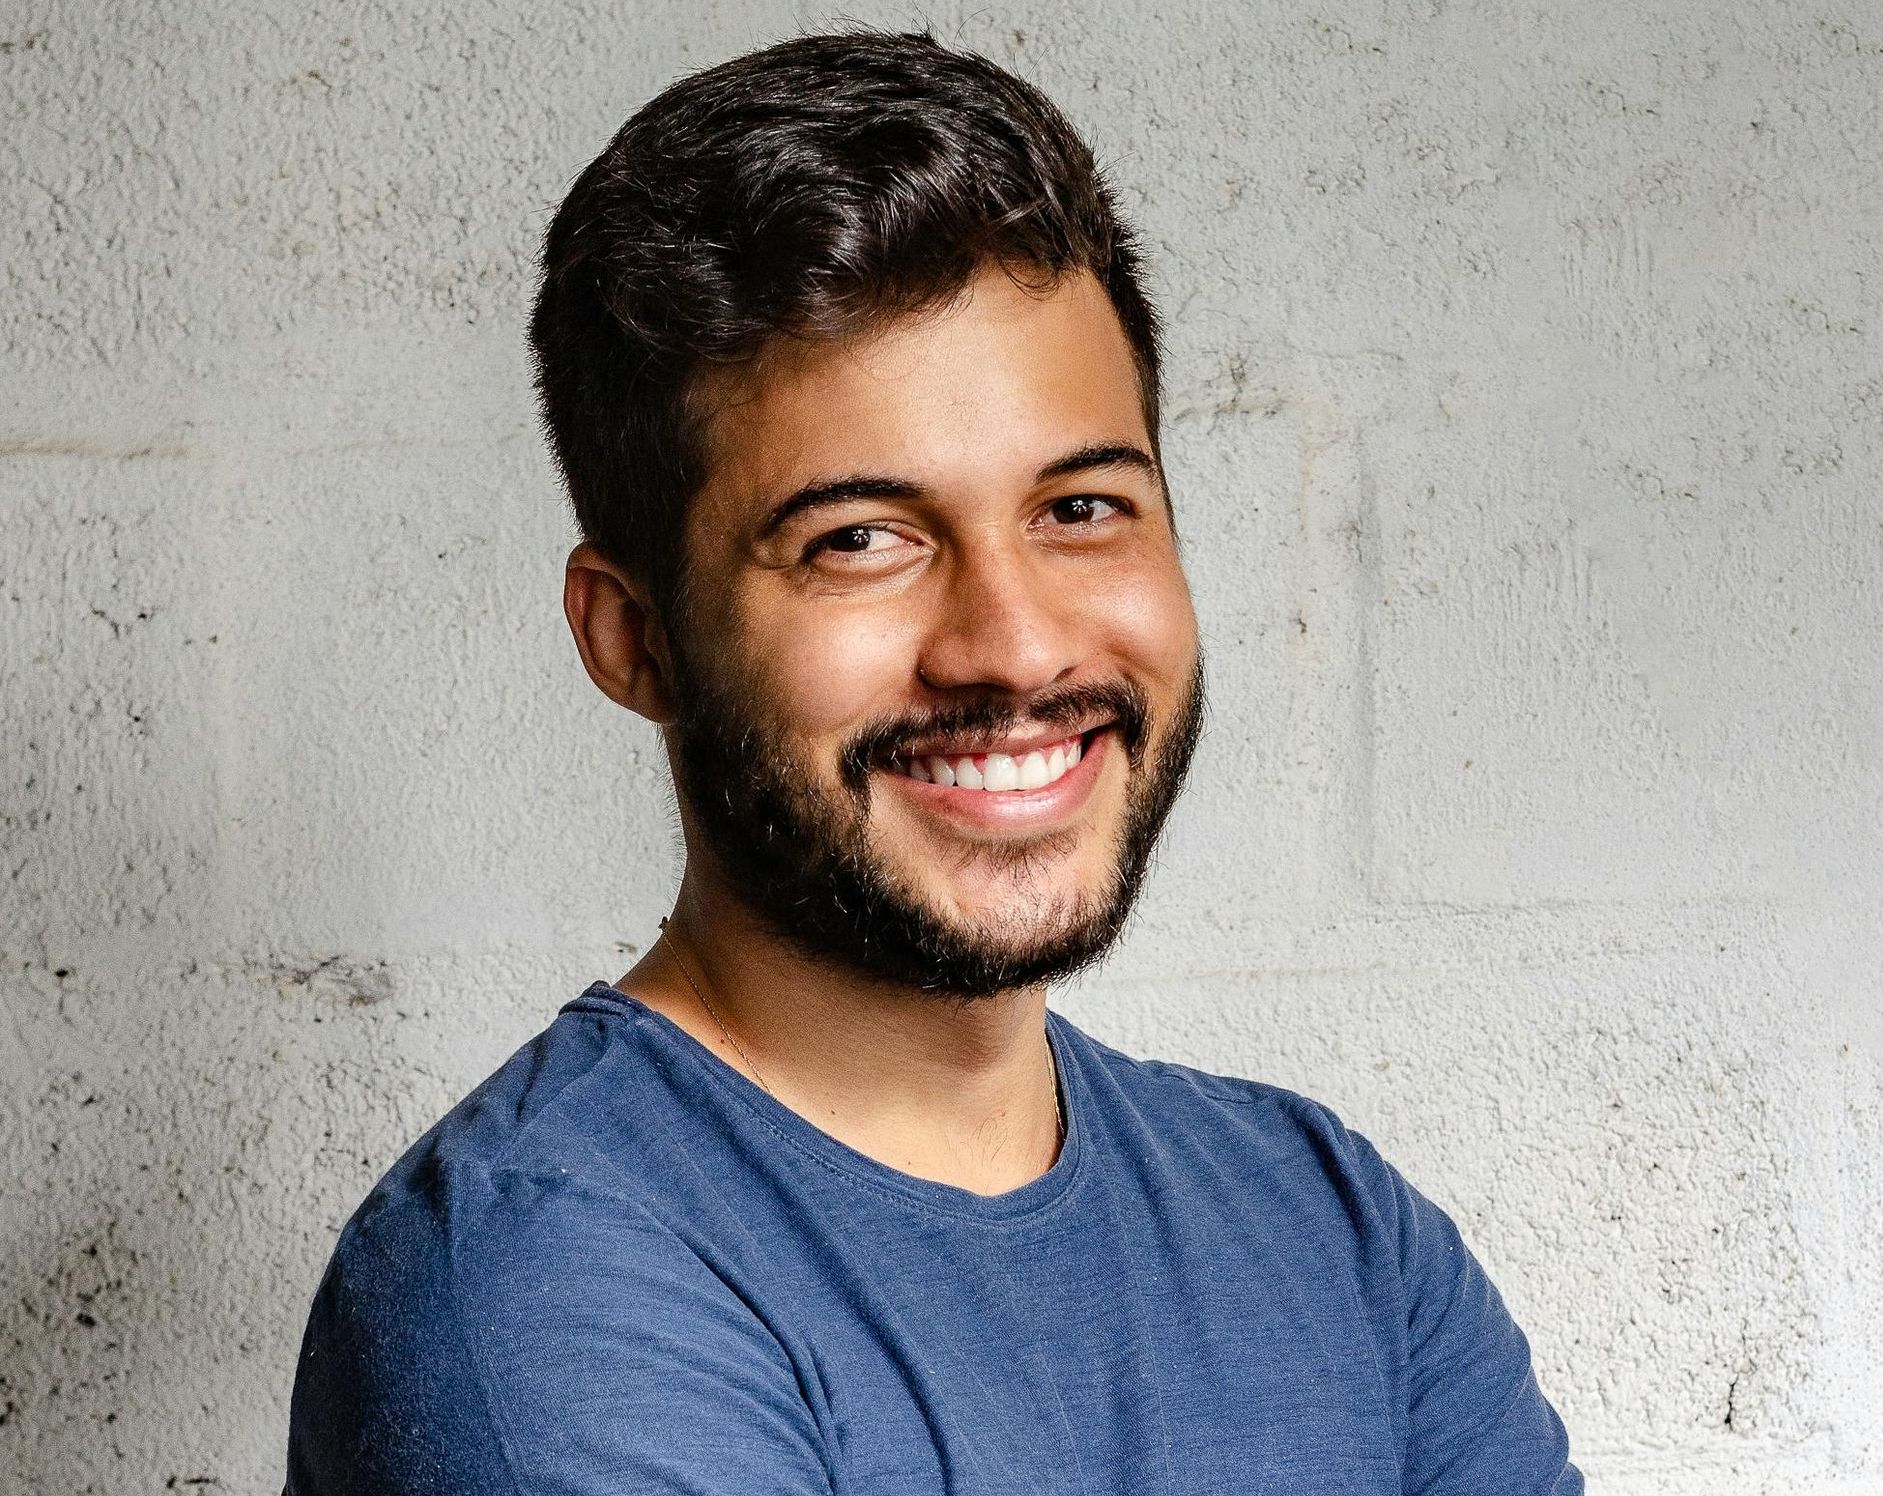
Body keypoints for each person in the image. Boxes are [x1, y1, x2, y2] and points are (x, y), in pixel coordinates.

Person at [285, 28, 1581, 1494]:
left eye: (1082, 509)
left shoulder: (1333, 1232)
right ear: (634, 638)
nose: (1016, 648)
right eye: (861, 539)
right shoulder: (540, 1284)